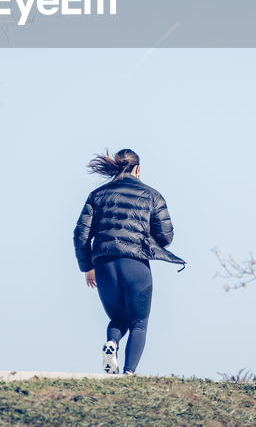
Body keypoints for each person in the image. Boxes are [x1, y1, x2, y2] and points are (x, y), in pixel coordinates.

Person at [72, 148, 184, 375]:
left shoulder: (97, 195)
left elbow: (80, 234)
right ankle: (128, 373)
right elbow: (166, 237)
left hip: (104, 265)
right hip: (136, 265)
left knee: (118, 318)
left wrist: (88, 267)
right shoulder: (152, 195)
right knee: (138, 323)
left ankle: (111, 343)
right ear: (138, 169)